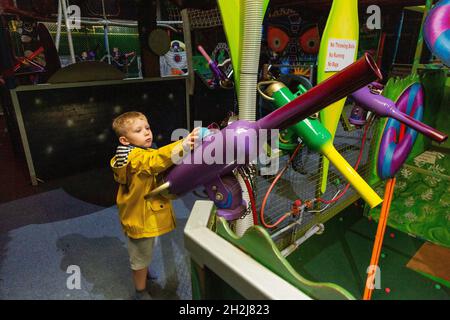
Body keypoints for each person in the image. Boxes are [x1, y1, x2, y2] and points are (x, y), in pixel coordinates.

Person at [110, 111, 199, 300]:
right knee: (140, 256)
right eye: (139, 130)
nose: (147, 133)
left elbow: (158, 157)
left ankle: (144, 269)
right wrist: (183, 144)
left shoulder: (134, 153)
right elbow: (155, 160)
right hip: (140, 218)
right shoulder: (135, 158)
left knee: (146, 250)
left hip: (142, 214)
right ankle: (140, 290)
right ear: (125, 141)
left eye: (147, 128)